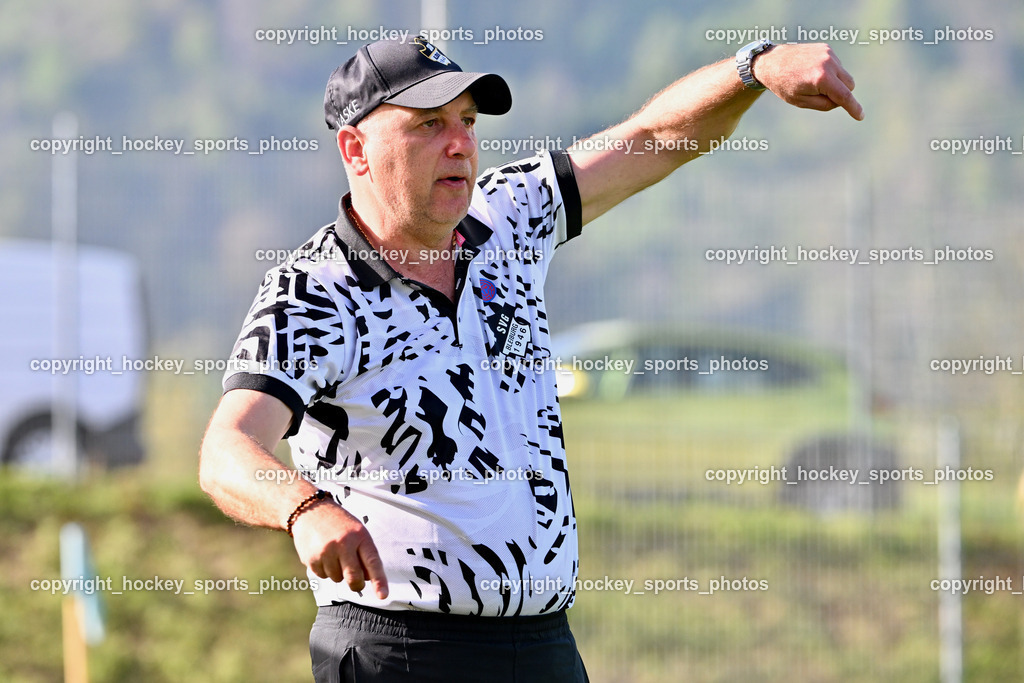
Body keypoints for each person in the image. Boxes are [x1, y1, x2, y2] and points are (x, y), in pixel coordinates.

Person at [199, 35, 862, 682]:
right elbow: (226, 450)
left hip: (544, 644)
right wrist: (302, 506)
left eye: (465, 120)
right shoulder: (315, 290)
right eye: (428, 125)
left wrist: (755, 65)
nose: (459, 142)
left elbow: (655, 139)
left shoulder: (509, 217)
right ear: (356, 149)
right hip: (401, 651)